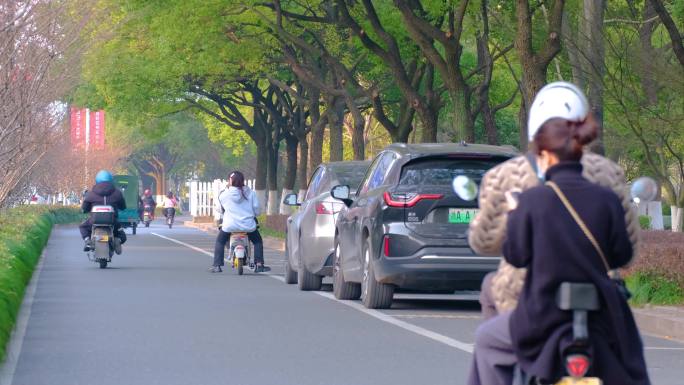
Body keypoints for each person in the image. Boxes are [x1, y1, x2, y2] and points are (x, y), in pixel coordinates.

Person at [467, 83, 650, 384]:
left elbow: (513, 253)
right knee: (632, 353)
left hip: (537, 313)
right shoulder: (609, 186)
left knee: (488, 336)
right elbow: (625, 252)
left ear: (541, 147)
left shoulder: (515, 187)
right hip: (601, 313)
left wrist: (514, 218)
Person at [210, 171, 268, 273]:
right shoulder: (251, 193)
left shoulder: (224, 195)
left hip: (230, 226)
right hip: (248, 226)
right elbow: (257, 210)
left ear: (230, 181)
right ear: (242, 180)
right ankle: (259, 264)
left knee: (220, 241)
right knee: (257, 241)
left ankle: (217, 265)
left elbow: (219, 209)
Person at [79, 170, 127, 254]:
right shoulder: (117, 193)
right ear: (111, 180)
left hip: (94, 221)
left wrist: (84, 210)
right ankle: (117, 240)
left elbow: (84, 208)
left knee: (83, 227)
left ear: (97, 180)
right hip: (112, 221)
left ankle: (87, 241)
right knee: (122, 235)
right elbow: (123, 207)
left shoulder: (91, 194)